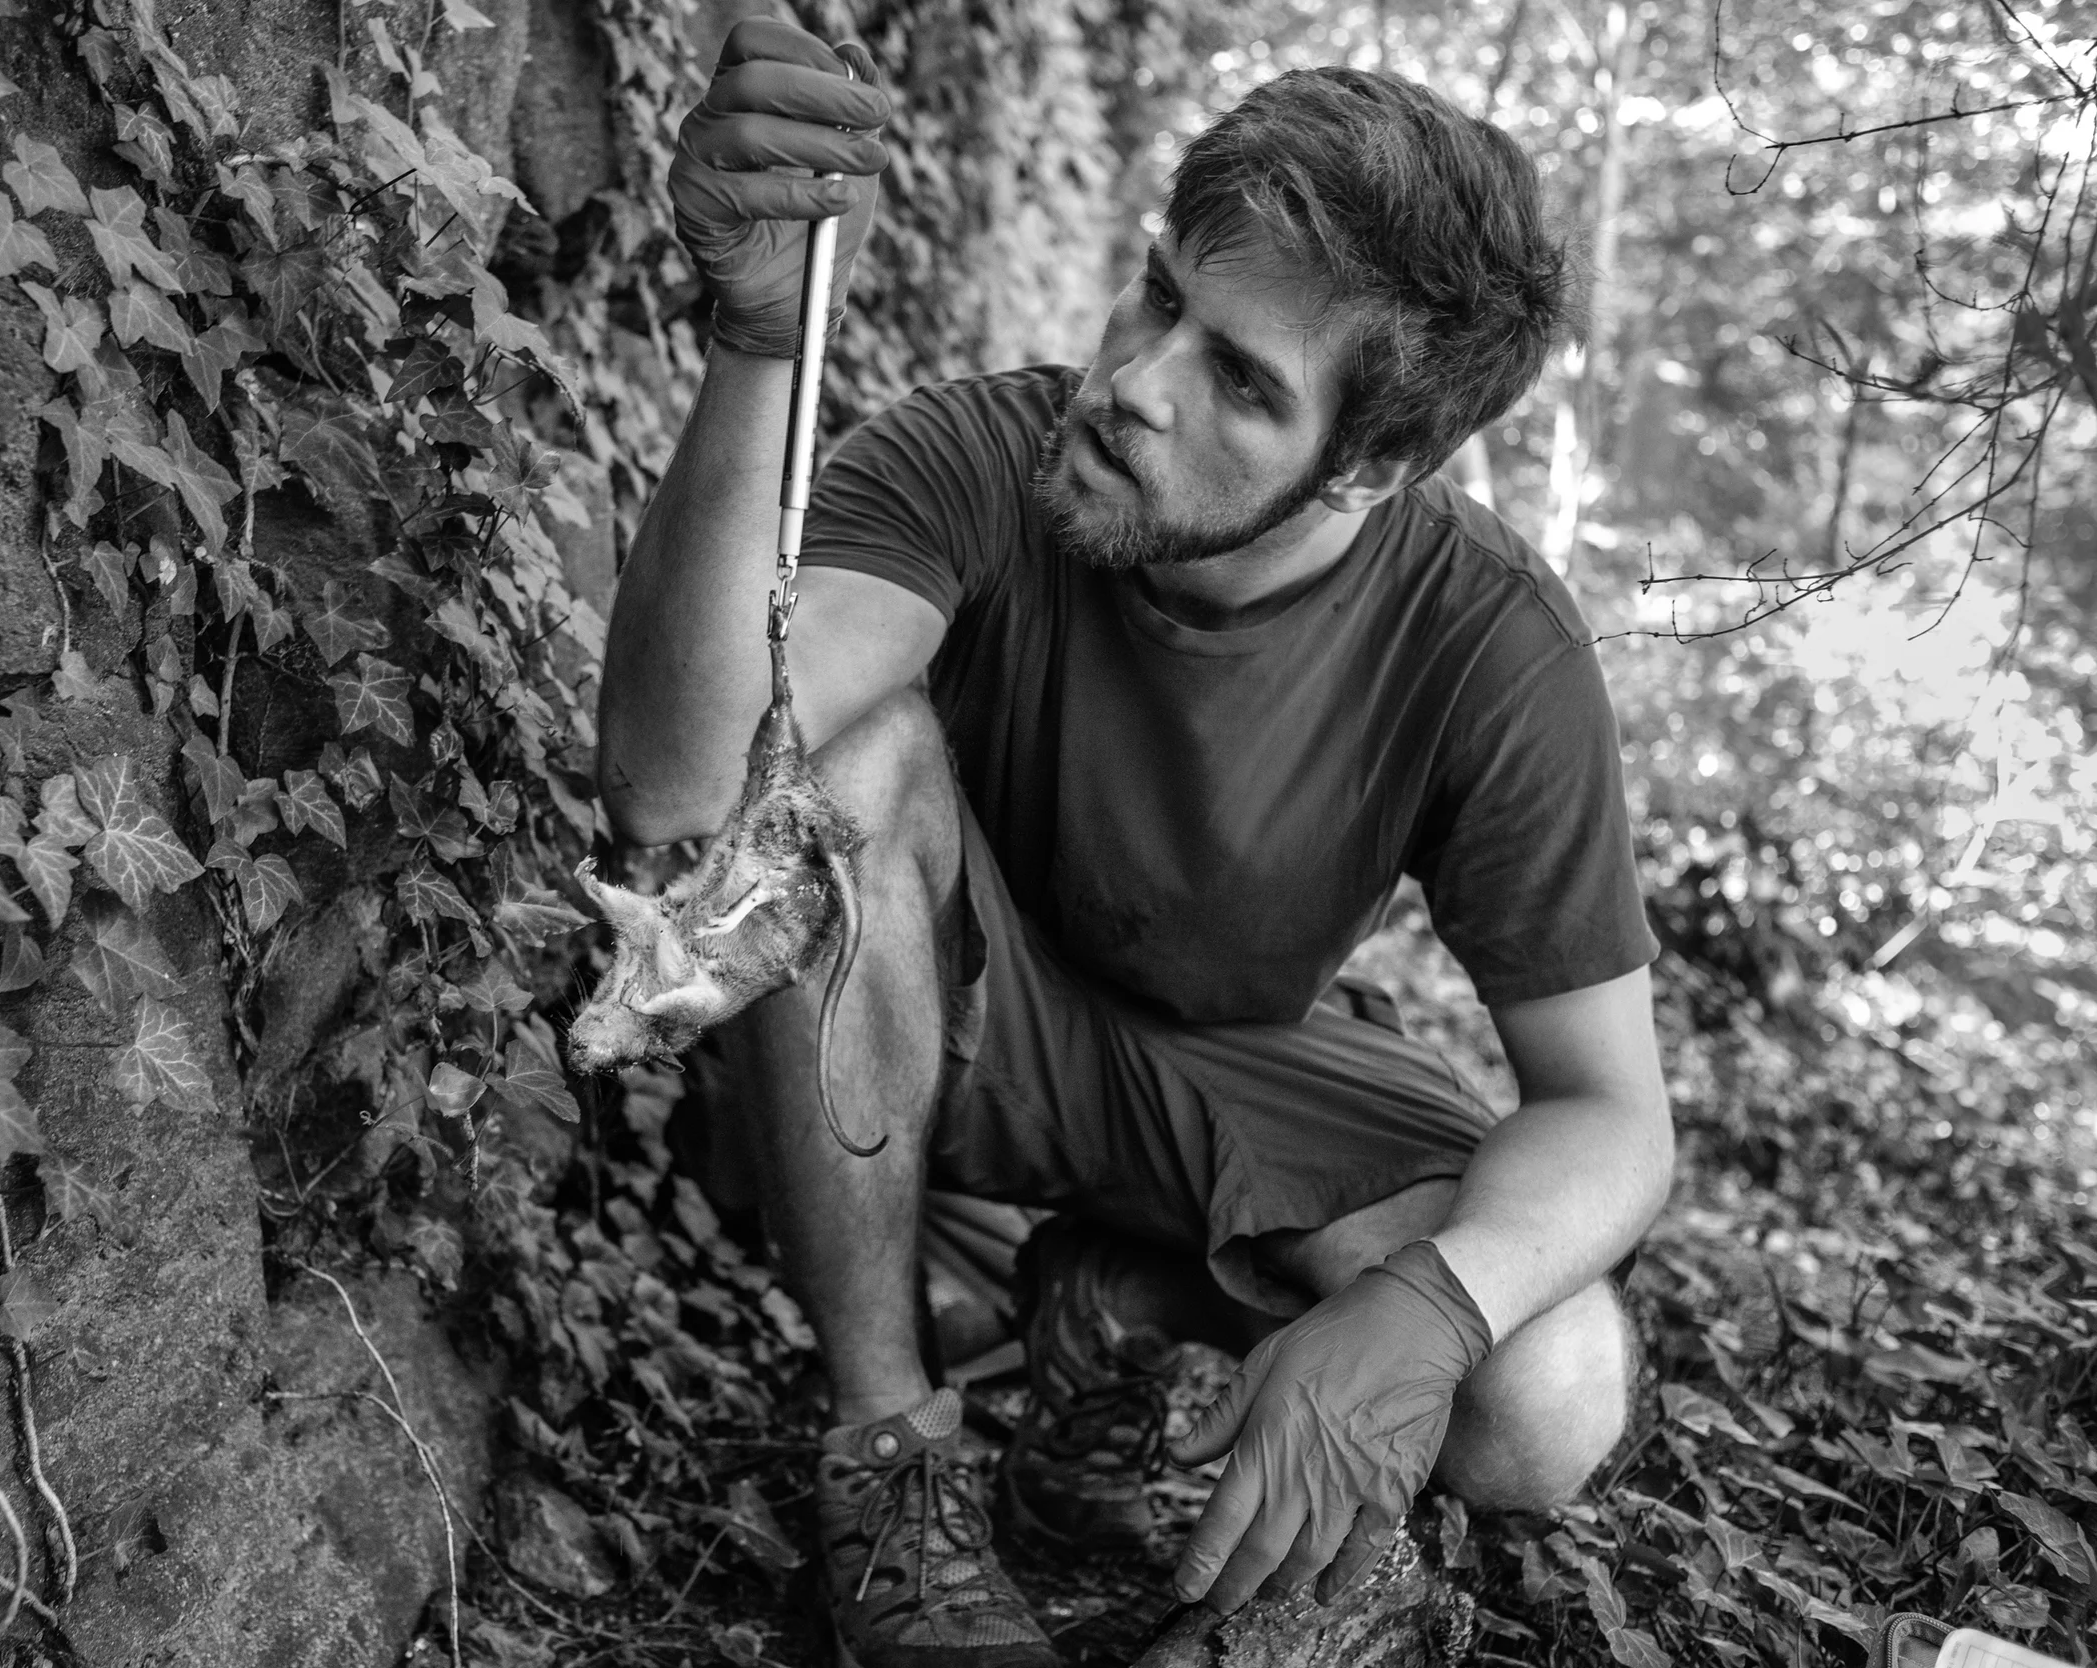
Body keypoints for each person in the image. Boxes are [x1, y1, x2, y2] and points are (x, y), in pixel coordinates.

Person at [597, 18, 1674, 1668]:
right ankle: (890, 1462)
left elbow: (1611, 1114)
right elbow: (684, 795)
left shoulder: (1491, 646)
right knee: (855, 752)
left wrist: (1418, 1314)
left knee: (1543, 1400)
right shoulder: (974, 458)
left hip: (1228, 1068)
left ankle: (1121, 1300)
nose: (1135, 386)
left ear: (1371, 466)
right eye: (1165, 293)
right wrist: (758, 352)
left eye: (1242, 382)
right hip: (934, 1012)